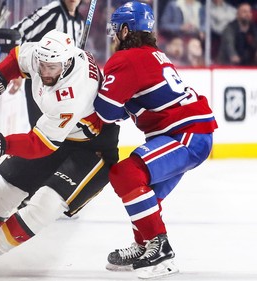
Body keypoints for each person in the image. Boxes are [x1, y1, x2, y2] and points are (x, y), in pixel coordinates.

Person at [0, 30, 119, 277]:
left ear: (66, 64)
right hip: (59, 135)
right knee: (6, 188)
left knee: (46, 203)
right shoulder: (40, 56)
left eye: (52, 68)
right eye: (43, 66)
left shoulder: (73, 94)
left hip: (93, 148)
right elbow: (16, 57)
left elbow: (40, 145)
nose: (45, 73)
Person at [94, 1, 218, 279]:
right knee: (147, 192)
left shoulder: (127, 59)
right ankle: (143, 245)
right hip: (191, 133)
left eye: (117, 29)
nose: (114, 35)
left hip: (186, 134)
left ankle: (160, 249)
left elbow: (106, 111)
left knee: (125, 173)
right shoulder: (150, 54)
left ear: (126, 30)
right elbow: (126, 110)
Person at [8, 0, 84, 129]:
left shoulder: (79, 22)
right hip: (40, 83)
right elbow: (17, 32)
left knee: (61, 134)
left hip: (64, 86)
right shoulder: (52, 12)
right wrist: (16, 67)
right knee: (41, 132)